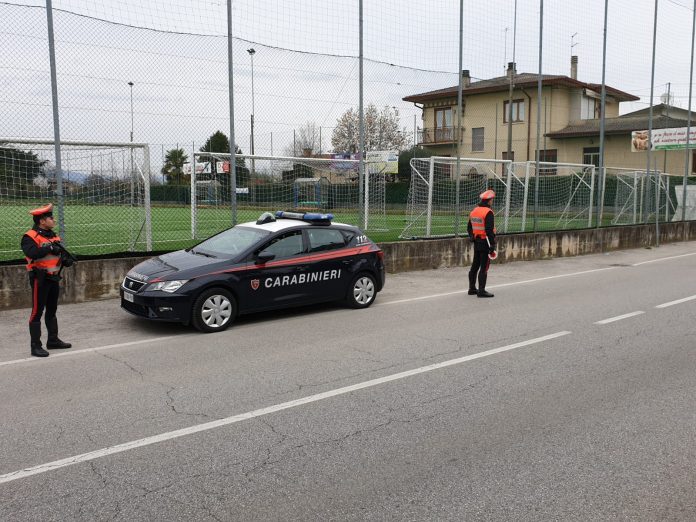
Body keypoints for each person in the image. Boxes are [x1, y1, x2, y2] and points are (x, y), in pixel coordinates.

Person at [21, 203, 74, 357]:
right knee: (37, 312)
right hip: (40, 279)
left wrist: (64, 260)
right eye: (51, 218)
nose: (54, 220)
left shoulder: (53, 235)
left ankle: (53, 340)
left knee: (52, 311)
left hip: (53, 278)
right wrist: (50, 248)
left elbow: (56, 256)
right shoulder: (30, 236)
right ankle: (35, 346)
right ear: (42, 221)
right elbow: (32, 253)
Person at [467, 189, 496, 298]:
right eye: (492, 200)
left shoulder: (474, 211)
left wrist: (471, 237)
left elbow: (469, 227)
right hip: (485, 242)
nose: (492, 201)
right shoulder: (488, 212)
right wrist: (492, 245)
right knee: (484, 267)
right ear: (489, 201)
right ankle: (481, 290)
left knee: (475, 265)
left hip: (476, 241)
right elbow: (489, 230)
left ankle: (472, 288)